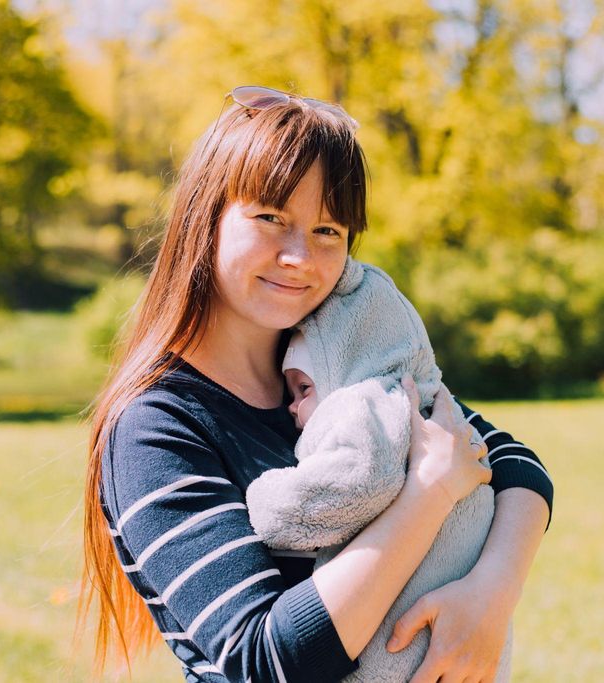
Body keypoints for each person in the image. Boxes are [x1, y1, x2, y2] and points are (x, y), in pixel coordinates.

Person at [78, 85, 553, 683]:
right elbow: (264, 661)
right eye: (271, 218)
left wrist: (491, 595)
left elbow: (512, 463)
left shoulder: (336, 363)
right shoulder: (156, 427)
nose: (300, 255)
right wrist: (427, 496)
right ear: (206, 218)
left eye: (328, 230)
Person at [245, 257, 528, 681]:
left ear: (342, 370)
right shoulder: (433, 405)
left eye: (304, 389)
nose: (293, 408)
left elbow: (357, 483)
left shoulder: (365, 403)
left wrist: (268, 502)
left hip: (409, 644)